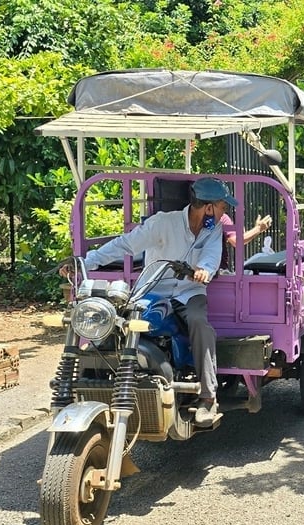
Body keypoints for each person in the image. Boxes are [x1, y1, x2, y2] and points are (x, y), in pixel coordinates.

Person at [71, 177, 233, 426]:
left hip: (190, 291)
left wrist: (203, 271)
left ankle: (208, 397)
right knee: (120, 322)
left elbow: (211, 258)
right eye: (223, 206)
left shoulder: (214, 229)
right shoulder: (163, 223)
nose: (225, 212)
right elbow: (125, 244)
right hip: (153, 289)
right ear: (209, 207)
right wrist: (85, 262)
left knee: (200, 325)